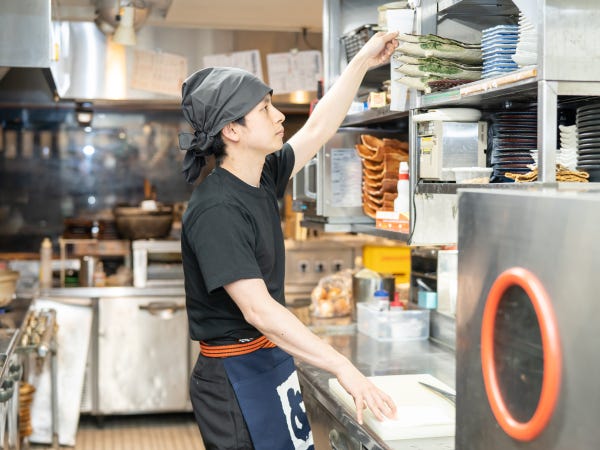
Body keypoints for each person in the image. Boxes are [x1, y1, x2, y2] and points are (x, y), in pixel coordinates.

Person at [179, 31, 400, 450]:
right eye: (265, 109)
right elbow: (258, 309)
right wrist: (341, 366)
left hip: (268, 361)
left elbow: (318, 128)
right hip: (233, 378)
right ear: (232, 130)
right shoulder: (216, 210)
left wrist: (362, 62)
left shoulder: (261, 177)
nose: (280, 116)